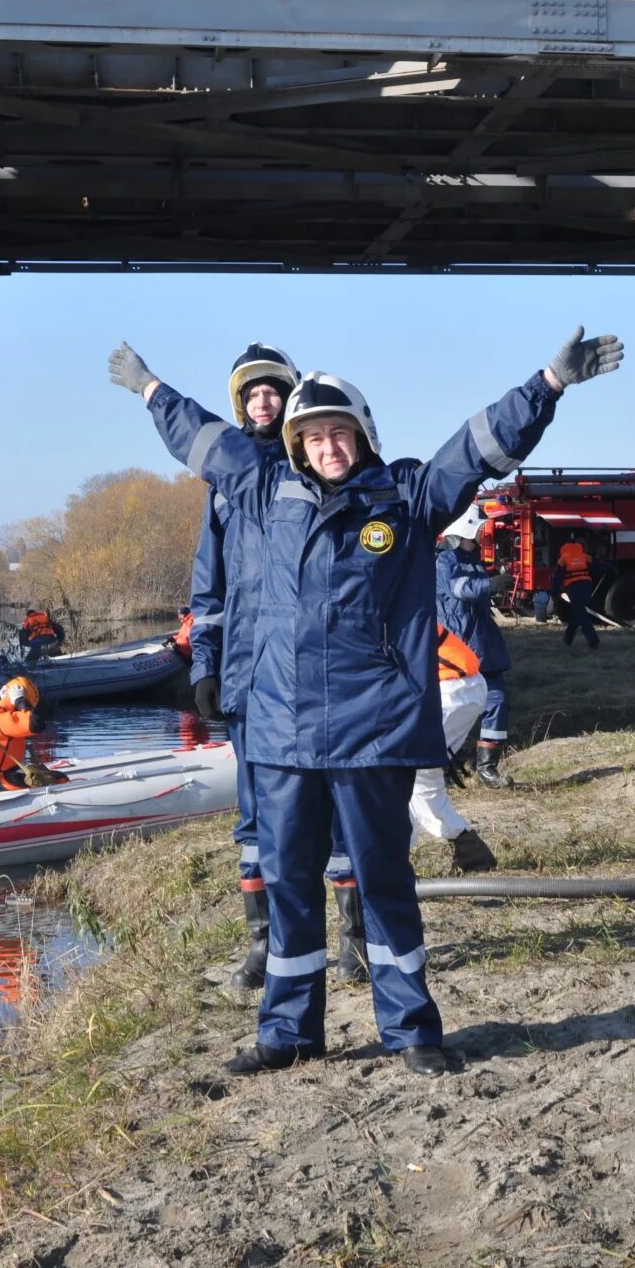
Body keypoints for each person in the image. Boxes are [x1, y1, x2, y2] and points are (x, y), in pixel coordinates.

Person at [110, 325, 623, 1078]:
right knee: (288, 886)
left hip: (371, 732)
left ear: (363, 435)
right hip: (282, 734)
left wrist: (546, 384)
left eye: (339, 433)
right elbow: (204, 439)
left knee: (383, 882)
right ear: (294, 442)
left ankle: (411, 1030)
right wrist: (151, 389)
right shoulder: (256, 493)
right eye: (312, 436)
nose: (327, 447)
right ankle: (288, 1033)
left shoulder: (407, 497)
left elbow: (477, 450)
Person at [184, 344, 367, 992]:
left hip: (316, 680)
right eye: (252, 393)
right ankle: (265, 944)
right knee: (256, 822)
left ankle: (356, 939)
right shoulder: (224, 487)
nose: (262, 401)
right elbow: (209, 591)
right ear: (240, 403)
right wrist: (203, 667)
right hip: (245, 682)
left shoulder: (316, 468)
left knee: (341, 812)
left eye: (273, 391)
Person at [409, 624, 499, 871]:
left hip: (452, 688)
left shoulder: (375, 610)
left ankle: (395, 858)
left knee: (403, 771)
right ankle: (470, 850)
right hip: (456, 687)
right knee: (417, 777)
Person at [436, 504, 514, 789]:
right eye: (478, 530)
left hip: (484, 645)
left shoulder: (475, 559)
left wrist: (492, 582)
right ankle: (438, 768)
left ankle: (487, 768)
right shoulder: (444, 561)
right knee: (452, 710)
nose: (481, 535)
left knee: (498, 702)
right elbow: (459, 589)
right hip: (457, 652)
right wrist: (489, 584)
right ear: (464, 529)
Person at [556, 535, 599, 650]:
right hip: (586, 586)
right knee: (577, 613)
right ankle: (567, 638)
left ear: (565, 547)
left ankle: (593, 641)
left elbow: (557, 578)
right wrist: (610, 567)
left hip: (574, 588)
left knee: (581, 615)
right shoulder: (584, 556)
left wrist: (555, 591)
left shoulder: (563, 559)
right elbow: (597, 565)